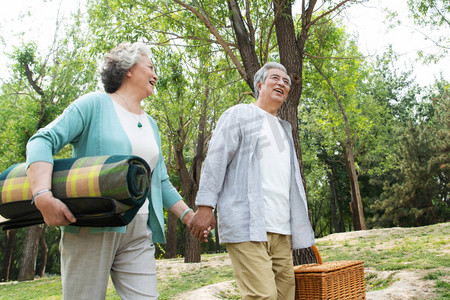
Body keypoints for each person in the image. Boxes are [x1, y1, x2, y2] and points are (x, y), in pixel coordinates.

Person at [26, 42, 201, 300]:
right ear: (129, 68)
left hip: (139, 229)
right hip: (92, 226)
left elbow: (159, 180)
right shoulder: (93, 105)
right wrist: (42, 195)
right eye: (150, 66)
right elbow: (42, 140)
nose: (155, 74)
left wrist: (189, 217)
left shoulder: (151, 124)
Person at [190, 62, 315, 300]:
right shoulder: (240, 114)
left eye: (286, 81)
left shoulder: (284, 130)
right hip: (247, 223)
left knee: (285, 294)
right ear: (259, 85)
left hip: (281, 228)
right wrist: (205, 206)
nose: (282, 83)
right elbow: (216, 161)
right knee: (263, 296)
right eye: (275, 78)